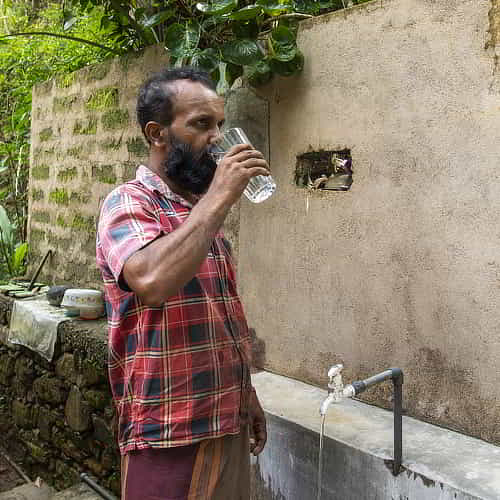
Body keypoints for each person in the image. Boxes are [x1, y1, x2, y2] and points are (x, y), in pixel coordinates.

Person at [96, 66, 270, 500]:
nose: (217, 138)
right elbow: (151, 280)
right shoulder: (129, 202)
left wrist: (245, 394)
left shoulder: (196, 213)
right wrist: (219, 198)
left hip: (225, 421)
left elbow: (216, 315)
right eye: (200, 124)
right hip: (167, 430)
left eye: (220, 125)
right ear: (157, 134)